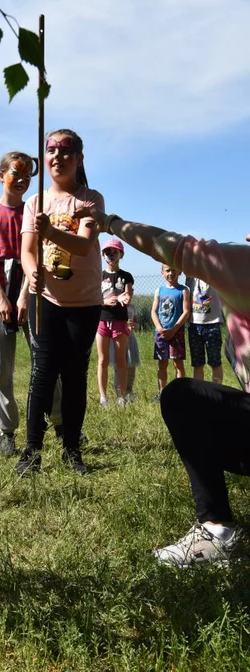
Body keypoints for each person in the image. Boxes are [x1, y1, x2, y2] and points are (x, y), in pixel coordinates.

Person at [76, 205, 250, 568]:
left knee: (182, 396)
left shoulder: (242, 264)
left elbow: (166, 243)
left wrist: (110, 222)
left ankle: (216, 531)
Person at [17, 128, 104, 475]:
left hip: (83, 302)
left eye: (66, 150)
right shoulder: (35, 202)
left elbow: (83, 246)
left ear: (79, 159)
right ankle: (31, 452)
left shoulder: (91, 199)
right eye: (51, 149)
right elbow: (26, 251)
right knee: (42, 374)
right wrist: (30, 270)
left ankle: (72, 450)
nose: (57, 156)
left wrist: (49, 231)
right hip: (47, 299)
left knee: (74, 375)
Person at [0, 151, 62, 457]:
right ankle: (7, 431)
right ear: (1, 175)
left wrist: (25, 294)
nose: (22, 181)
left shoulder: (34, 211)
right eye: (16, 173)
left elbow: (35, 253)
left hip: (32, 292)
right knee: (1, 367)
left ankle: (62, 424)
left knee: (46, 362)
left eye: (28, 176)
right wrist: (0, 296)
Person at [96, 238, 133, 407]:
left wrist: (121, 298)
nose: (111, 255)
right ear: (103, 255)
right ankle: (103, 396)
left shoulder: (126, 276)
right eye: (107, 252)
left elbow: (128, 295)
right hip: (102, 321)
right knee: (102, 360)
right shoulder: (98, 275)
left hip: (120, 321)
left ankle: (121, 396)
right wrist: (104, 302)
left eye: (114, 252)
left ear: (121, 254)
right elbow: (92, 296)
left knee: (120, 361)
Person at [150, 265, 190, 401]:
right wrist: (159, 328)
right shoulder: (159, 290)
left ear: (179, 271)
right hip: (161, 333)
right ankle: (162, 393)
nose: (171, 273)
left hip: (176, 333)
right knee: (162, 364)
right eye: (167, 270)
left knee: (178, 364)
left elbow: (186, 311)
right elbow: (154, 311)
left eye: (174, 269)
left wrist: (174, 329)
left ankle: (180, 393)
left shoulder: (183, 290)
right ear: (162, 273)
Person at [185, 276, 224, 384]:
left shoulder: (214, 275)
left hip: (213, 324)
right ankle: (200, 395)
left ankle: (217, 393)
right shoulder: (190, 277)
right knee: (197, 364)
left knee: (215, 362)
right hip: (195, 326)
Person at [109, 302, 140, 400]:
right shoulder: (115, 306)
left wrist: (134, 325)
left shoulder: (132, 307)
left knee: (131, 366)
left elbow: (137, 325)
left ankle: (129, 391)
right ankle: (119, 392)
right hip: (118, 338)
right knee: (118, 366)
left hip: (130, 339)